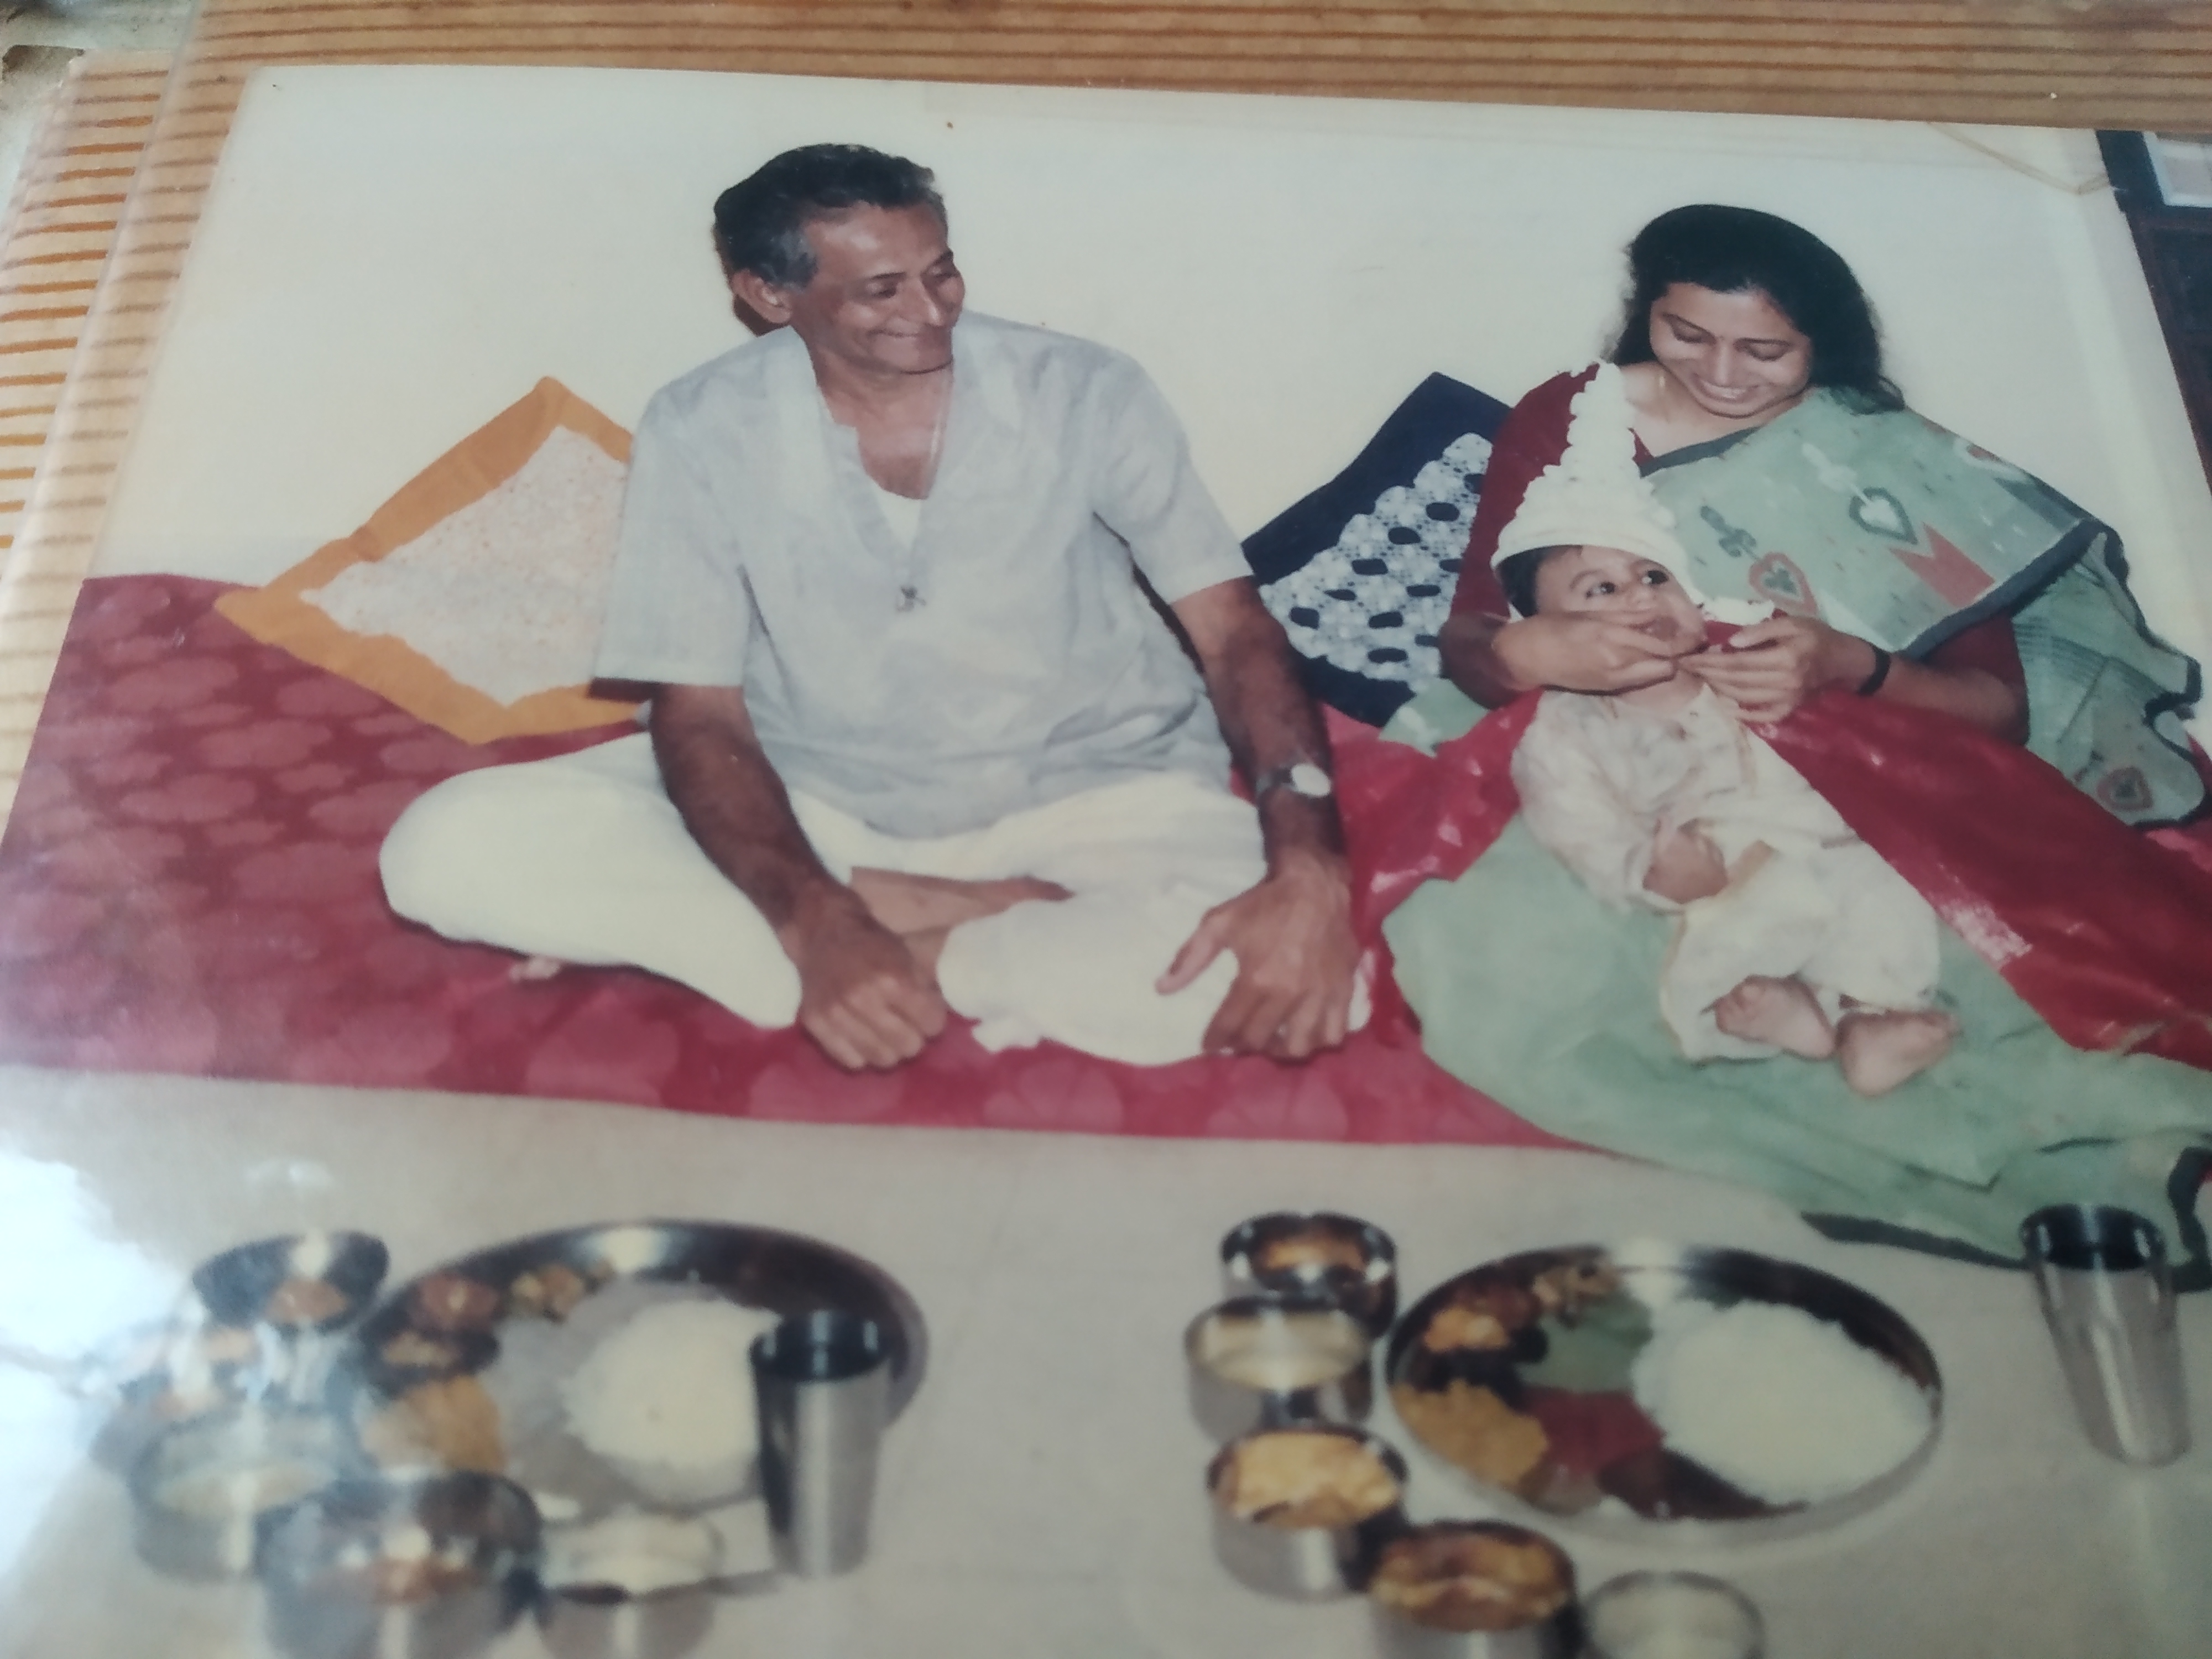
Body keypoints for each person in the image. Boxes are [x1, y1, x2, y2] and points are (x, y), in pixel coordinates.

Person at [380, 144, 1362, 1071]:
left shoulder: (1086, 391)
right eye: (881, 290)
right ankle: (956, 927)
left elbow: (1233, 632)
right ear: (771, 297)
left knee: (1301, 982)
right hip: (816, 803)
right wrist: (815, 911)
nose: (931, 310)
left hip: (1100, 795)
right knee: (445, 849)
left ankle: (825, 950)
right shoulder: (702, 424)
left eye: (942, 270)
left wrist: (1311, 869)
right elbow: (700, 711)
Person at [1437, 204, 2204, 828]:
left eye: (1764, 351)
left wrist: (1849, 665)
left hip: (1855, 788)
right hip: (1623, 766)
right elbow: (1470, 632)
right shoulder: (1578, 418)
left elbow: (2000, 714)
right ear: (1648, 315)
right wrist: (1525, 655)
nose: (1721, 373)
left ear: (1820, 345)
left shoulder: (1891, 459)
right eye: (1688, 336)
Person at [1494, 364, 1957, 1097]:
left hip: (1825, 848)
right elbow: (1579, 829)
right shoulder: (1566, 732)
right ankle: (1772, 1013)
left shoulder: (1740, 661)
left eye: (1655, 577)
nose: (1640, 599)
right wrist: (1653, 875)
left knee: (1884, 894)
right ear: (1548, 631)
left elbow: (1840, 745)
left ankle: (1870, 1021)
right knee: (1722, 946)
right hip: (1722, 879)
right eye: (1601, 590)